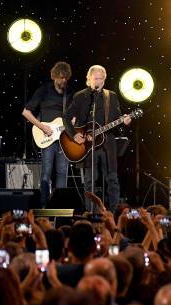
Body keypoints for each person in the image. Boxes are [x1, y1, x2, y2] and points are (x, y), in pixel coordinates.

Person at [64, 65, 131, 211]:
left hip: (108, 144)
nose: (98, 81)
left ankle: (112, 214)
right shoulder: (80, 96)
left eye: (101, 78)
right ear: (88, 79)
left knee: (112, 179)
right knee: (89, 181)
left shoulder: (111, 96)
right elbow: (66, 117)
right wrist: (74, 135)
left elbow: (118, 117)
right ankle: (90, 212)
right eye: (96, 78)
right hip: (86, 146)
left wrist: (124, 120)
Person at [22, 61, 73, 207]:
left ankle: (61, 206)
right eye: (61, 77)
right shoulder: (44, 90)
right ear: (54, 77)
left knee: (63, 173)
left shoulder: (70, 93)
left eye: (65, 78)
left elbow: (74, 113)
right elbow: (26, 112)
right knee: (46, 172)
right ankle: (44, 205)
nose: (63, 81)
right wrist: (42, 126)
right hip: (46, 137)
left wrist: (74, 121)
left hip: (64, 137)